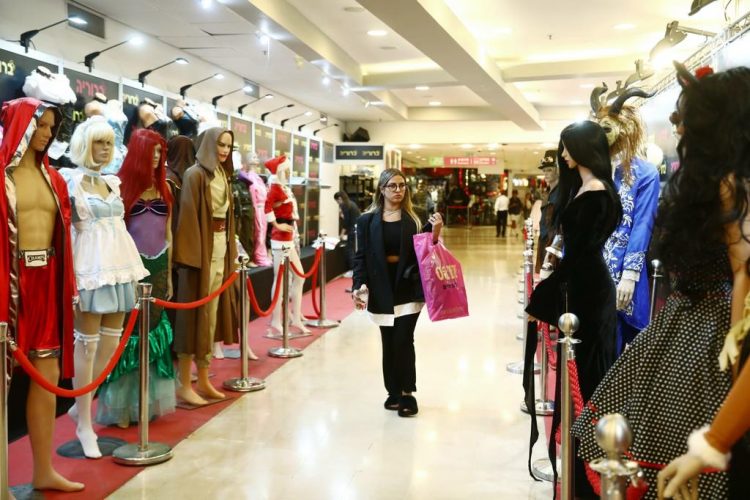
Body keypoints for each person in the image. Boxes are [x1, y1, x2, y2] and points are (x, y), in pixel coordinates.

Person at [572, 64, 750, 499]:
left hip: (705, 321)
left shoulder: (718, 184)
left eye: (685, 115)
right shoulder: (701, 180)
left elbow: (741, 264)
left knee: (671, 435)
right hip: (681, 313)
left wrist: (736, 336)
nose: (677, 124)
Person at [526, 120, 622, 495]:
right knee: (580, 377)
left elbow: (581, 255)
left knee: (588, 379)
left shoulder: (596, 193)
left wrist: (542, 298)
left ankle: (585, 475)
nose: (562, 154)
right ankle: (579, 469)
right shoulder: (587, 187)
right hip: (584, 288)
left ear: (583, 149)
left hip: (589, 291)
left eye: (567, 147)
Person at [1, 97, 83, 491]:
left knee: (47, 376)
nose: (48, 133)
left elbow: (63, 238)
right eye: (41, 125)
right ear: (21, 124)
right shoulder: (2, 176)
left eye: (52, 127)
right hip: (9, 284)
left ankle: (43, 470)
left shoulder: (56, 179)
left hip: (46, 282)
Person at [62, 116, 149, 458]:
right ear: (85, 144)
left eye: (109, 143)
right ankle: (84, 422)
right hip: (89, 269)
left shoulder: (112, 183)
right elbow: (69, 230)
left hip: (119, 267)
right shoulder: (70, 182)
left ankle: (81, 404)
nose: (103, 149)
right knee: (86, 346)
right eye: (98, 142)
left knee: (110, 349)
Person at [95, 129, 177, 428]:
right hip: (131, 265)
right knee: (130, 333)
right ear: (140, 152)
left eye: (160, 152)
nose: (157, 157)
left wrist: (169, 272)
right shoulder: (119, 187)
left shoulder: (165, 187)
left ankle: (147, 402)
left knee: (154, 331)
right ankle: (123, 406)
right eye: (152, 151)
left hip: (160, 265)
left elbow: (168, 231)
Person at [352, 168, 443, 417]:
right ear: (381, 189)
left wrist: (434, 234)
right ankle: (392, 390)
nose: (398, 190)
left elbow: (426, 252)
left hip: (408, 288)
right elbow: (360, 258)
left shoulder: (414, 219)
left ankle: (407, 393)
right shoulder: (366, 221)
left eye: (402, 185)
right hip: (382, 288)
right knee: (388, 341)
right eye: (392, 186)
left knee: (404, 339)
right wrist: (359, 285)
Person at [173, 127, 238, 406]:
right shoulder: (195, 174)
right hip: (200, 254)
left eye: (228, 146)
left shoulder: (223, 174)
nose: (224, 150)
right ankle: (185, 384)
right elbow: (187, 218)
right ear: (209, 144)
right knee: (194, 317)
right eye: (220, 144)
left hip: (220, 247)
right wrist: (191, 260)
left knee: (210, 317)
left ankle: (204, 377)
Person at [594, 86, 661, 353]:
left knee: (617, 347)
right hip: (591, 269)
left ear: (623, 129)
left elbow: (642, 223)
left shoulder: (645, 174)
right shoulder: (594, 170)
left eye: (607, 129)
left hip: (621, 271)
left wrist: (630, 275)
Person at [264, 155, 310, 334]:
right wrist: (276, 224)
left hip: (288, 237)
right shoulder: (274, 187)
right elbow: (266, 206)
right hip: (280, 239)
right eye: (287, 170)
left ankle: (295, 317)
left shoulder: (281, 187)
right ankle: (276, 320)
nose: (290, 173)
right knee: (280, 279)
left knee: (299, 277)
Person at [535, 151, 560, 272]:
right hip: (543, 240)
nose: (545, 173)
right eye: (544, 170)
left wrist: (554, 249)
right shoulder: (547, 193)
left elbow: (560, 226)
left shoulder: (562, 193)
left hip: (554, 245)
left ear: (558, 169)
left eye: (549, 169)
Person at [334, 190, 361, 277]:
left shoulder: (344, 205)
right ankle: (356, 269)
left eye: (337, 201)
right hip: (358, 229)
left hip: (352, 230)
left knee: (350, 250)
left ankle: (353, 270)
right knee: (355, 250)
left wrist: (341, 234)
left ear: (340, 198)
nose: (337, 203)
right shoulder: (352, 203)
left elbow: (346, 222)